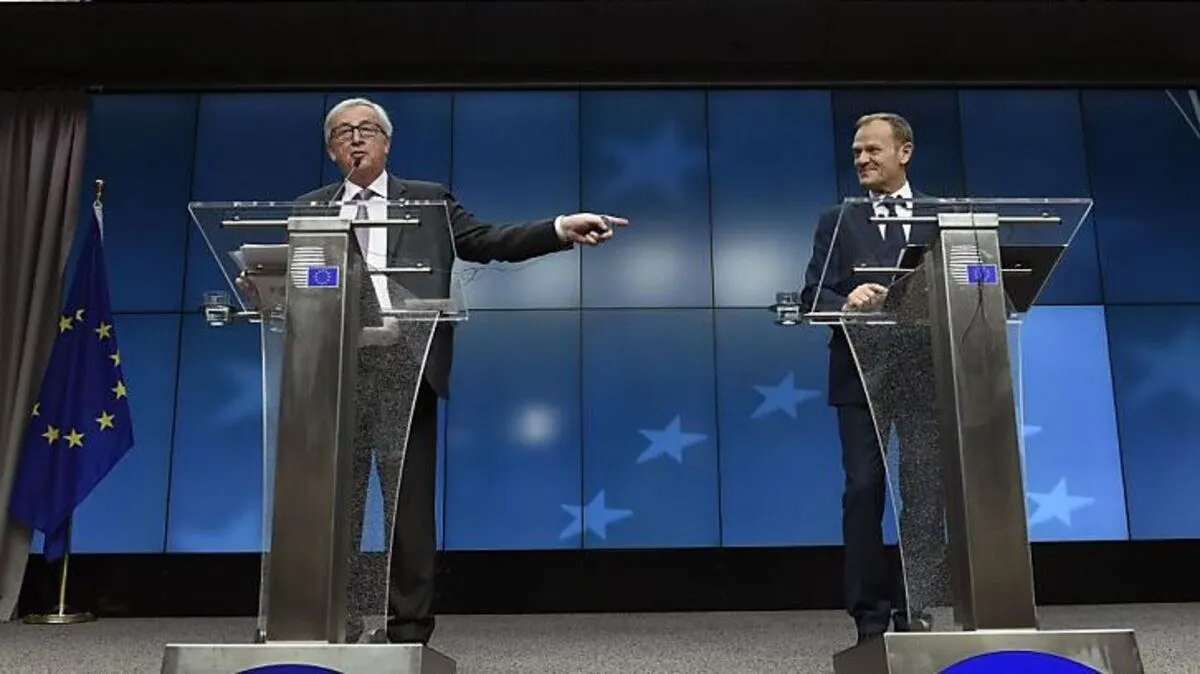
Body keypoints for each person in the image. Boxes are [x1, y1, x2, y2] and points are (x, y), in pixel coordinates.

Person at [242, 96, 627, 645]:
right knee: (336, 509)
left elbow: (489, 242)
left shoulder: (427, 201)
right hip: (330, 374)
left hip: (405, 368)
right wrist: (265, 289)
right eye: (344, 132)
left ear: (387, 143)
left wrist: (561, 227)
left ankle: (407, 631)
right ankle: (334, 621)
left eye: (367, 129)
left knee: (408, 511)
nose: (357, 139)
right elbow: (297, 281)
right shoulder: (310, 209)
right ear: (331, 150)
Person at [800, 112, 938, 644]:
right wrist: (846, 299)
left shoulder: (941, 216)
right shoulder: (837, 219)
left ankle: (916, 607)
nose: (861, 159)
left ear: (905, 152)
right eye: (857, 151)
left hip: (924, 370)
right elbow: (812, 293)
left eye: (872, 150)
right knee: (863, 490)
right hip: (860, 373)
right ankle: (870, 619)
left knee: (925, 491)